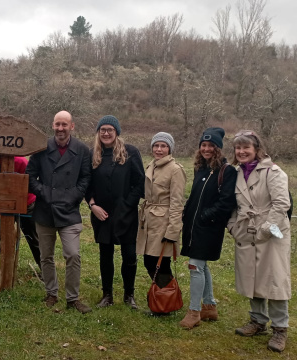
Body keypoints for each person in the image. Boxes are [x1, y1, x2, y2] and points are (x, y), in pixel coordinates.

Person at [228, 130, 291, 353]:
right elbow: (233, 205)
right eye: (238, 148)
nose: (242, 151)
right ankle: (257, 321)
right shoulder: (235, 174)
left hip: (273, 231)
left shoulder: (273, 172)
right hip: (246, 231)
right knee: (251, 277)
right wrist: (233, 226)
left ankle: (280, 328)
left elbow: (282, 204)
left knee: (275, 280)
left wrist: (266, 229)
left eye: (246, 147)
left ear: (256, 149)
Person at [26, 110, 92, 314]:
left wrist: (73, 197)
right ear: (52, 125)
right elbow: (30, 175)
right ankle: (51, 293)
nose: (60, 128)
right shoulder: (42, 147)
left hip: (69, 211)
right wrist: (45, 193)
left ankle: (72, 298)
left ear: (72, 126)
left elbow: (86, 178)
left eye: (64, 124)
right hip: (44, 210)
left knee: (72, 255)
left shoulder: (82, 150)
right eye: (57, 124)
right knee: (45, 256)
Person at [178, 128, 236, 328]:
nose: (206, 149)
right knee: (202, 265)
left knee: (195, 266)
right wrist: (186, 212)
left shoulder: (227, 171)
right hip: (193, 226)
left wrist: (205, 216)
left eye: (211, 145)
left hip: (208, 227)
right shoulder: (200, 168)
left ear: (218, 148)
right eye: (203, 145)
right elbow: (195, 196)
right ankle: (209, 306)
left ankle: (194, 311)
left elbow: (226, 202)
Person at [85, 115, 144, 309]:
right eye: (103, 130)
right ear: (98, 132)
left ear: (117, 132)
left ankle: (129, 295)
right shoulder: (92, 154)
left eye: (110, 129)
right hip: (102, 214)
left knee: (129, 255)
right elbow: (86, 184)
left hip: (126, 213)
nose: (106, 133)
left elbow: (139, 183)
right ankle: (107, 295)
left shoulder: (130, 152)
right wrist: (93, 206)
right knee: (105, 254)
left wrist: (127, 205)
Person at [136, 132, 186, 314]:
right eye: (156, 146)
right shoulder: (152, 165)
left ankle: (165, 304)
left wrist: (173, 231)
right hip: (149, 221)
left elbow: (177, 202)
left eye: (163, 146)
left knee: (159, 263)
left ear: (170, 148)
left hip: (163, 223)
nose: (159, 149)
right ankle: (163, 298)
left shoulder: (176, 170)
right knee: (149, 261)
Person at [0, 153, 41, 272]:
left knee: (34, 239)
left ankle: (45, 271)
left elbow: (31, 184)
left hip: (26, 203)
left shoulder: (21, 162)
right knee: (5, 239)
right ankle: (6, 271)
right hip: (1, 205)